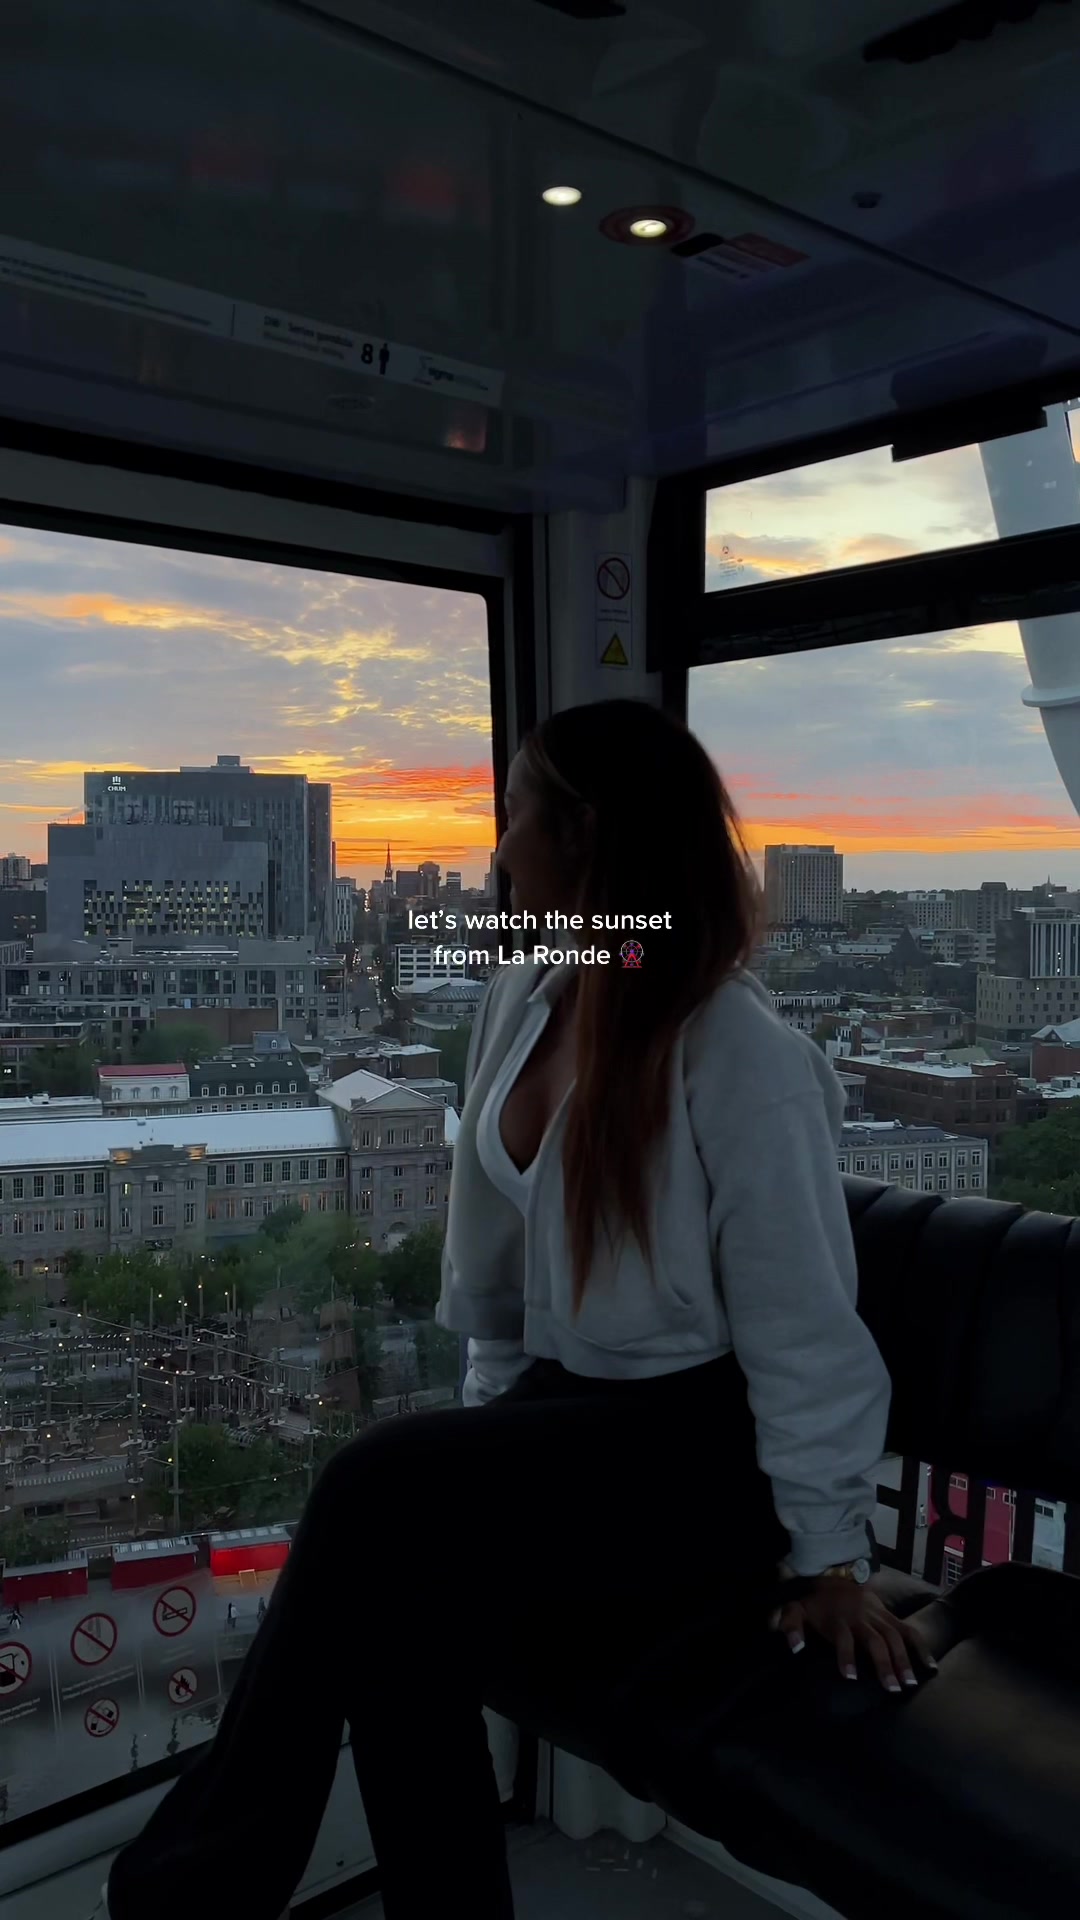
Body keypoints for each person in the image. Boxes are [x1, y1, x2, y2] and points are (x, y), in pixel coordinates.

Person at [95, 699, 931, 1920]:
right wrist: (482, 1438)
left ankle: (184, 1900)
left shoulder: (740, 1054)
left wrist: (830, 1556)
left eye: (517, 817)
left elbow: (804, 1327)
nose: (497, 851)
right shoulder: (527, 999)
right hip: (569, 1424)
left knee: (367, 1486)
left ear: (581, 834)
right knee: (398, 1613)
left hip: (698, 1453)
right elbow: (497, 1262)